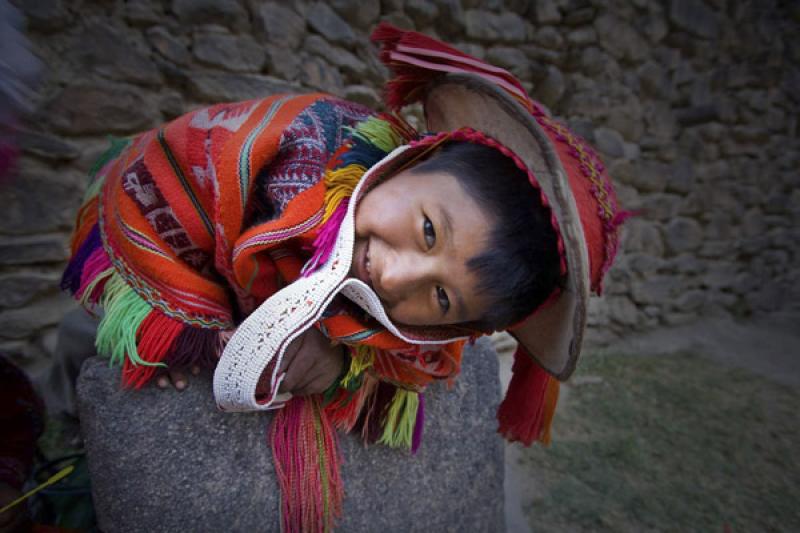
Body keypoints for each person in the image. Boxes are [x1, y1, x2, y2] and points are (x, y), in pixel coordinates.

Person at [58, 23, 625, 532]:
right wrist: (189, 332)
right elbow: (150, 195)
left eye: (442, 297)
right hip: (151, 264)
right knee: (88, 354)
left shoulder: (425, 346)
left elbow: (403, 358)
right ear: (413, 160)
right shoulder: (293, 146)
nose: (396, 275)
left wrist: (340, 354)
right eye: (428, 230)